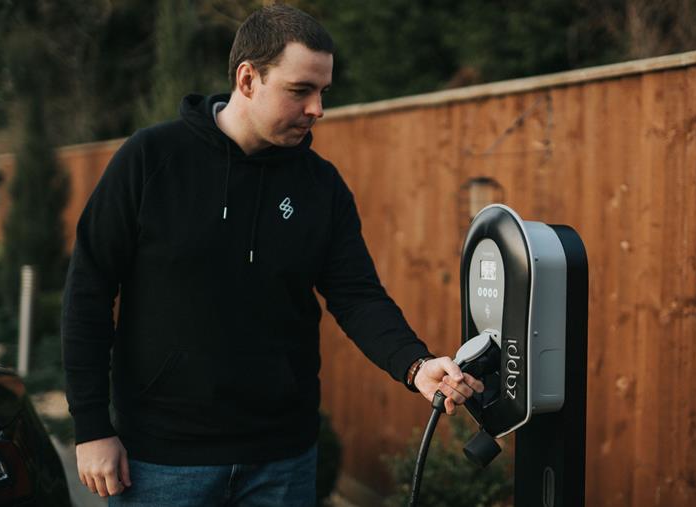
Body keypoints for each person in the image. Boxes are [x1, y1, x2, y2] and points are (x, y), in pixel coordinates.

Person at [61, 4, 483, 506]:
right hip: (163, 460)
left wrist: (414, 365)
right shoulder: (151, 160)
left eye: (323, 91)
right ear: (247, 79)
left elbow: (356, 295)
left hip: (282, 460)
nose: (317, 109)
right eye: (300, 90)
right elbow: (87, 291)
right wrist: (91, 428)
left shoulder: (319, 185)